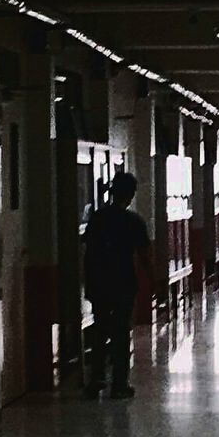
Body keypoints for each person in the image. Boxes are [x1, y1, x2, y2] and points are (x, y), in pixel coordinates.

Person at [82, 171, 151, 399]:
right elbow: (144, 255)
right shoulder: (133, 221)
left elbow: (88, 252)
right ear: (130, 194)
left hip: (99, 283)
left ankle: (97, 379)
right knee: (121, 333)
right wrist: (152, 281)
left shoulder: (97, 218)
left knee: (100, 330)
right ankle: (119, 384)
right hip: (123, 283)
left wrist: (89, 282)